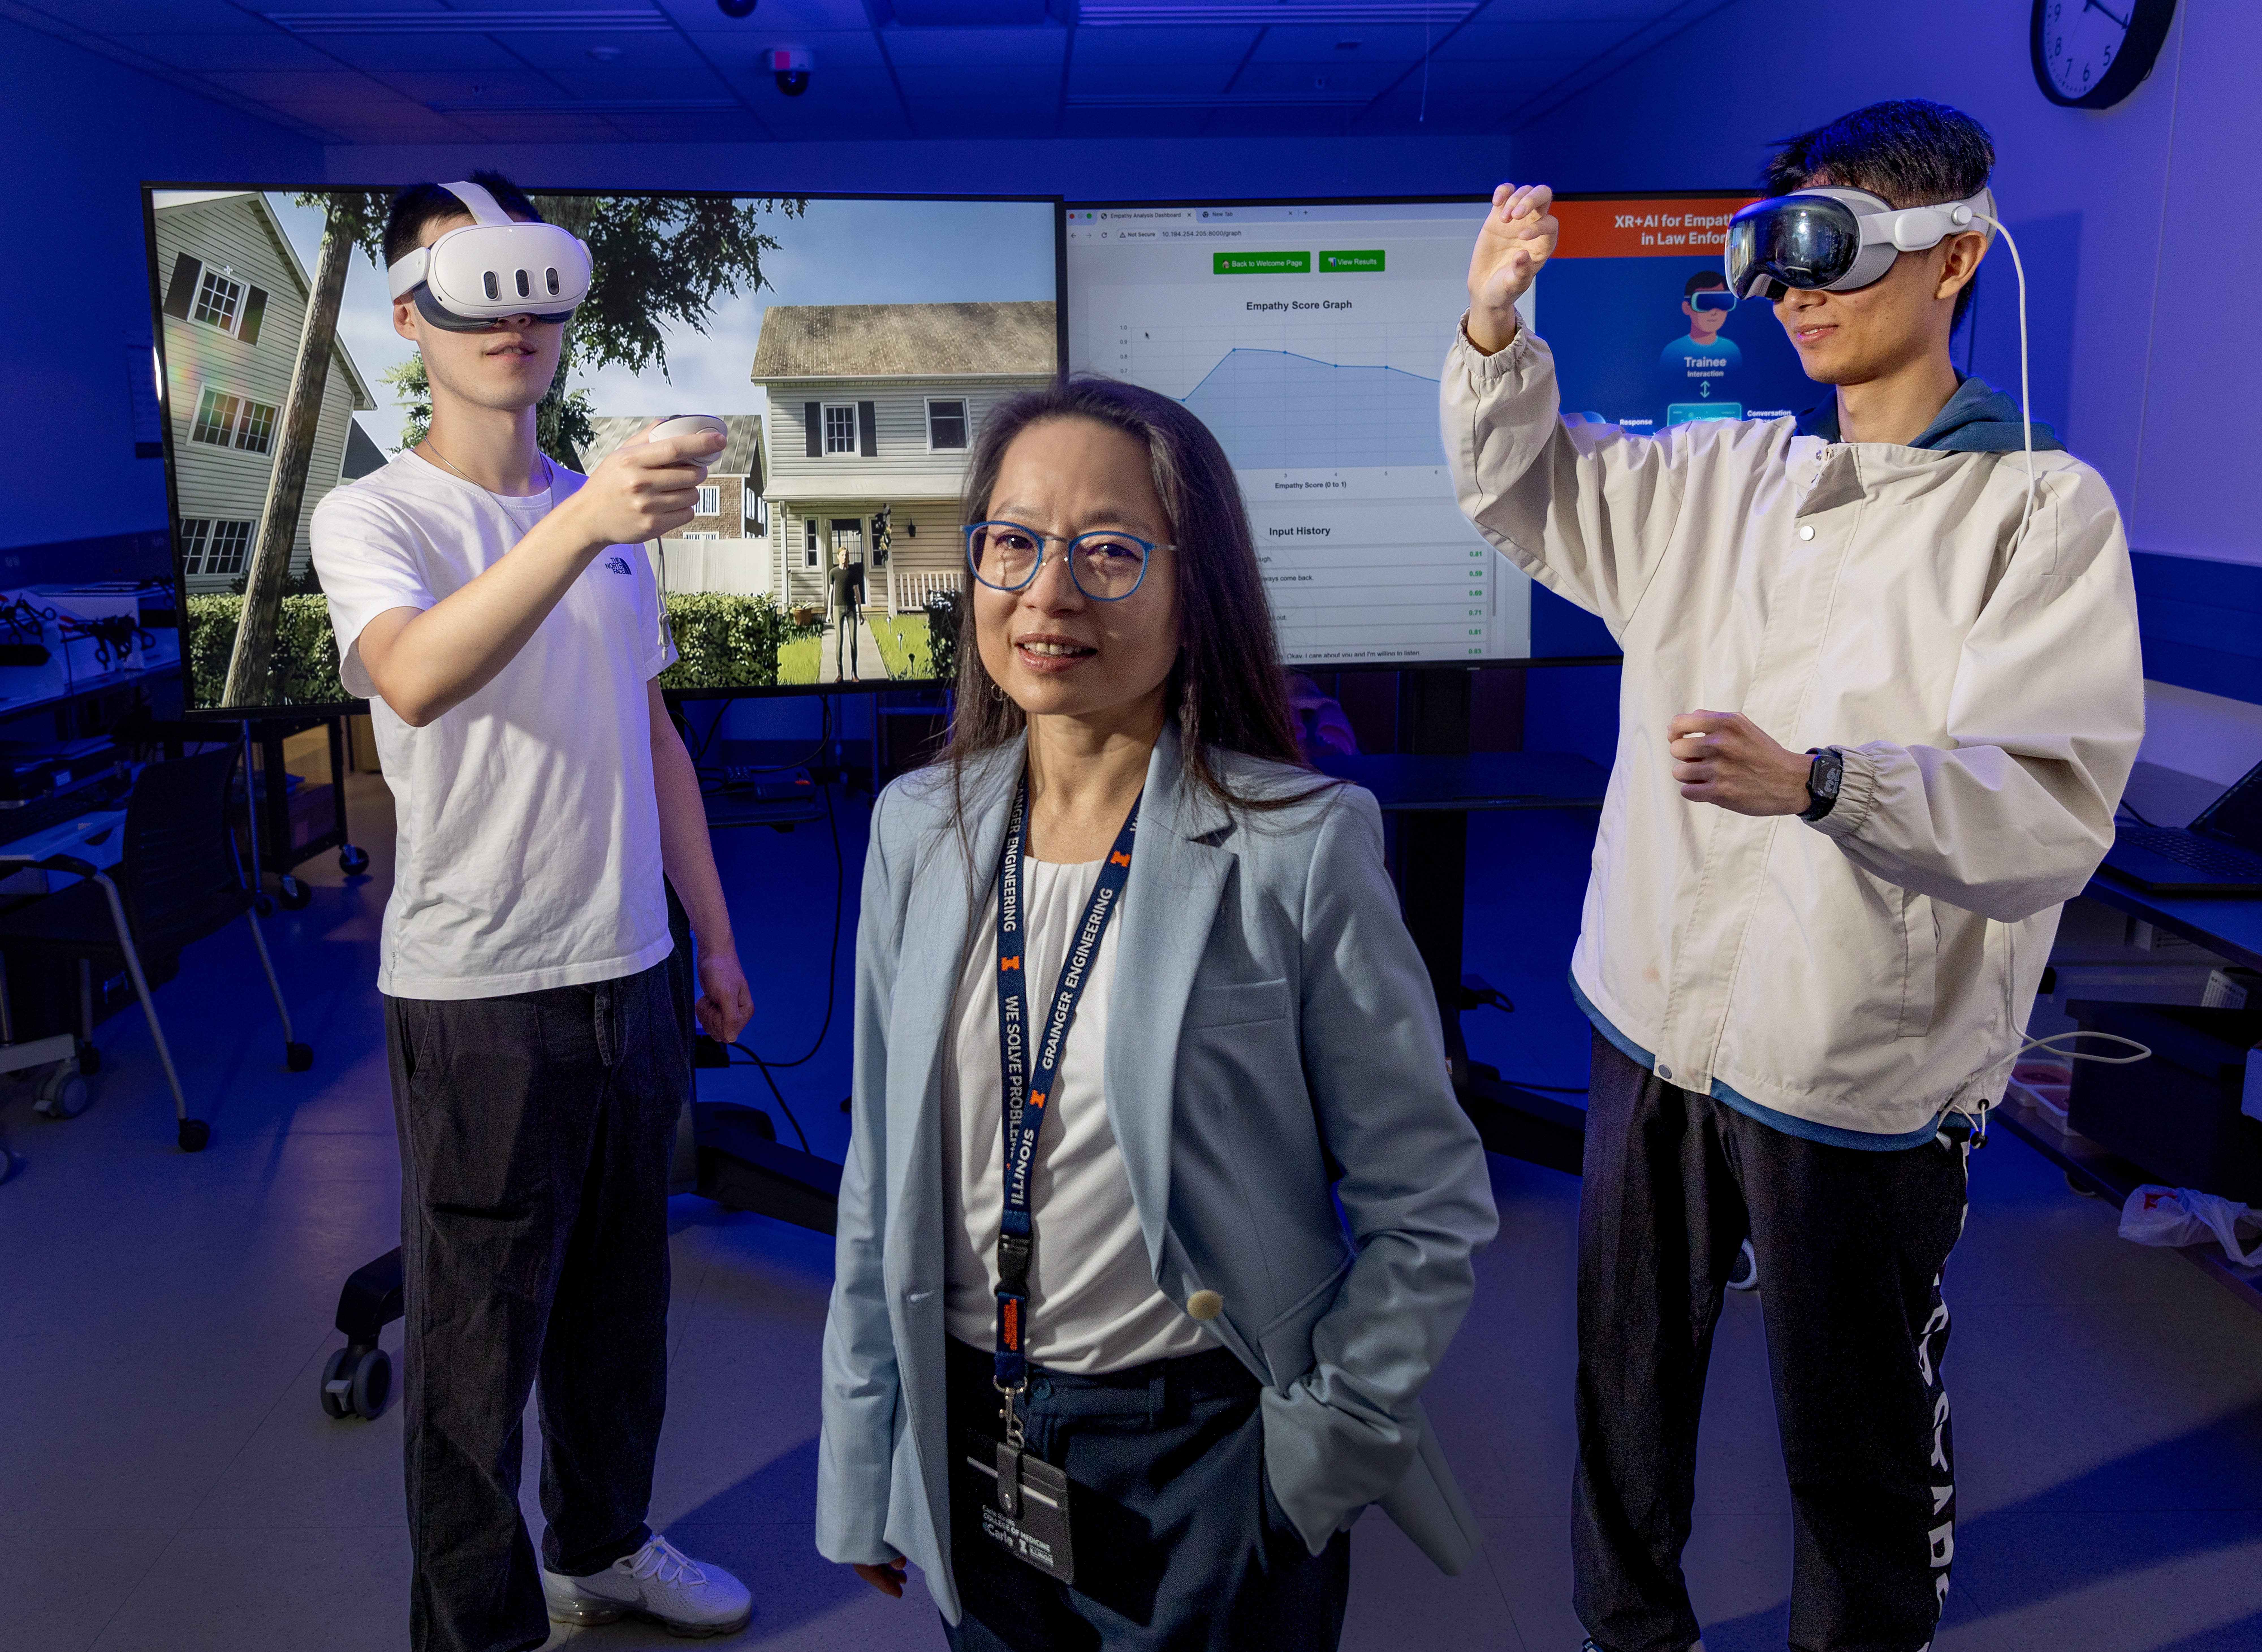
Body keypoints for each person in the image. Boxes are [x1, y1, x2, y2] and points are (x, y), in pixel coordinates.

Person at [1444, 102, 2143, 1652]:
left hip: (1850, 1069)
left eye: (1829, 246)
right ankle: (1632, 1634)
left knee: (1856, 1442)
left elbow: (2047, 808)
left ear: (1953, 257)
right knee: (1625, 1389)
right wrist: (1495, 333)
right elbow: (1527, 492)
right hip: (1649, 1023)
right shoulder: (1727, 476)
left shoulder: (2038, 515)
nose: (1792, 290)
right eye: (1773, 253)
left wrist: (1826, 785)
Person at [817, 377, 1497, 1649]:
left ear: (1199, 588)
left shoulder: (1296, 845)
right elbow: (879, 1179)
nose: (1048, 593)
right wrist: (866, 1454)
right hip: (975, 1432)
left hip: (1211, 1458)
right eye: (1013, 542)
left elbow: (1429, 1198)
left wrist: (1319, 1453)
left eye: (1111, 552)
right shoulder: (919, 828)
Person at [311, 171, 757, 1651]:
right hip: (478, 995)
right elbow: (415, 673)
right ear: (409, 314)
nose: (510, 311)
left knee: (623, 1313)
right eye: (468, 278)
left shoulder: (599, 510)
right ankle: (477, 1635)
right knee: (473, 1357)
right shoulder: (374, 514)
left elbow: (654, 730)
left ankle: (605, 1546)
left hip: (632, 967)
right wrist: (578, 528)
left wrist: (714, 931)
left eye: (530, 278)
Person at [1657, 270, 1742, 422]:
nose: (1714, 312)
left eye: (1723, 302)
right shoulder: (1673, 352)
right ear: (1687, 307)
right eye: (1705, 302)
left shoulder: (1732, 351)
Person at [831, 545, 866, 680]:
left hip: (852, 609)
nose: (845, 558)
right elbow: (831, 592)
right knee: (839, 641)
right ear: (838, 557)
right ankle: (840, 673)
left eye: (847, 555)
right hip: (838, 608)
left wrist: (860, 612)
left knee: (853, 641)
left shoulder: (853, 573)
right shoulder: (834, 573)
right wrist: (829, 613)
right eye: (843, 555)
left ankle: (854, 673)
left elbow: (857, 592)